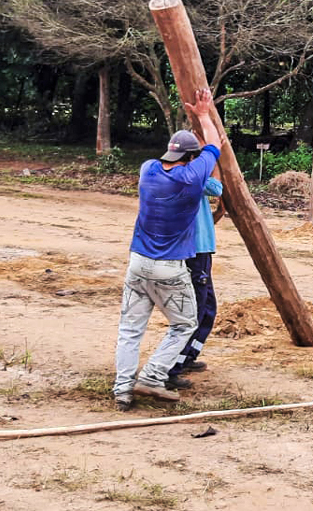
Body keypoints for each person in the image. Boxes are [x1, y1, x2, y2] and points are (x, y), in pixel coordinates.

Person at [113, 88, 221, 411]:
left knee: (130, 328)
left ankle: (122, 390)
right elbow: (215, 147)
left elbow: (194, 155)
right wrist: (204, 114)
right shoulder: (192, 178)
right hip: (169, 267)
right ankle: (153, 375)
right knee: (185, 323)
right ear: (191, 158)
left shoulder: (147, 170)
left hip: (137, 263)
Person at [167, 160, 223, 382]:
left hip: (200, 250)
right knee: (197, 310)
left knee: (208, 308)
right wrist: (215, 161)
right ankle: (173, 366)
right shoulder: (189, 176)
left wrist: (219, 213)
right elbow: (216, 188)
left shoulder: (183, 175)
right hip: (195, 252)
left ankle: (188, 356)